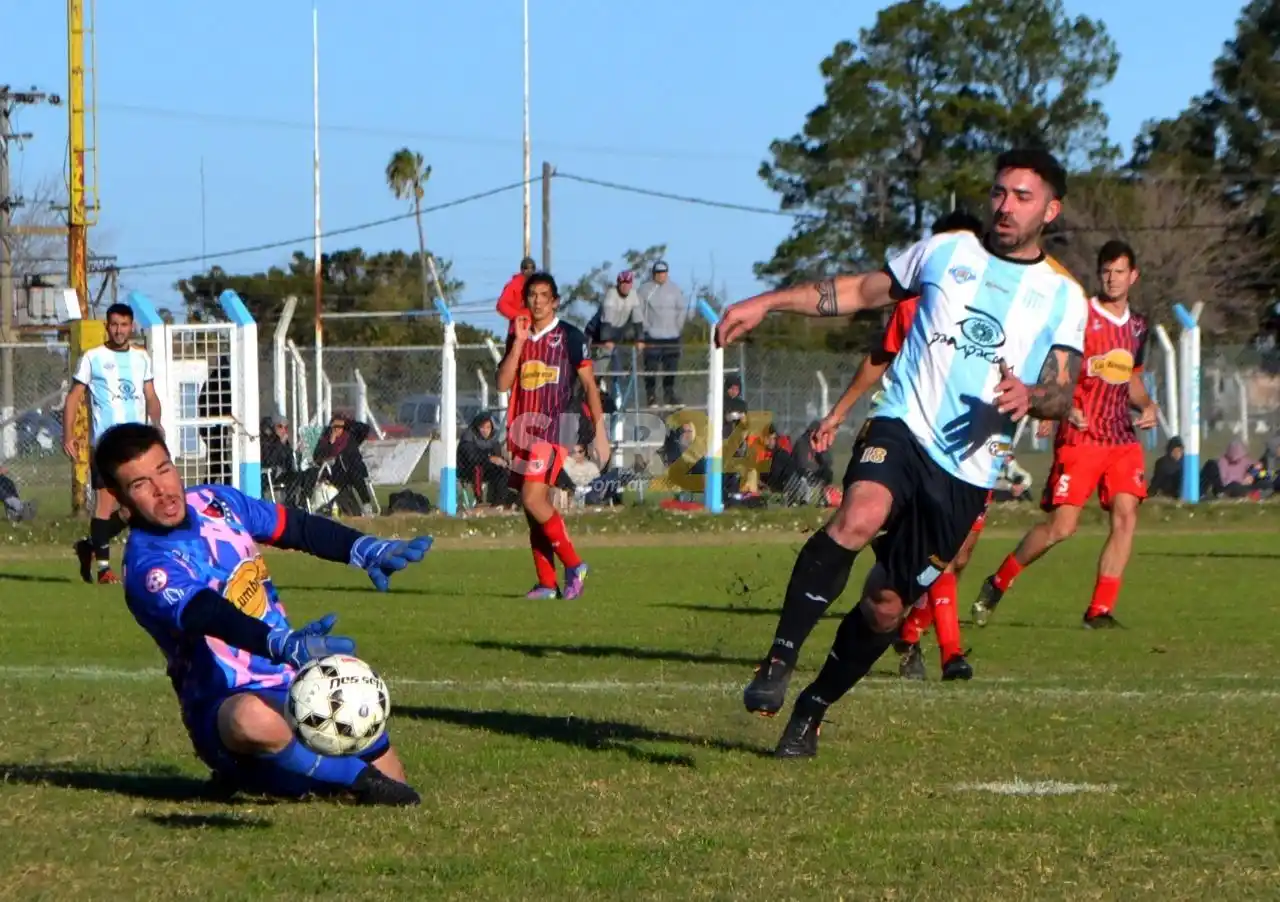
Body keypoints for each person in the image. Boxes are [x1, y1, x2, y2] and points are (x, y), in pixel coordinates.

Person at [715, 147, 1088, 758]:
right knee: (858, 515)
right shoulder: (946, 250)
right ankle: (779, 659)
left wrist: (1032, 395)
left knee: (886, 606)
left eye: (1023, 197)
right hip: (902, 425)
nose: (1005, 206)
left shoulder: (1063, 295)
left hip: (967, 470)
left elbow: (1063, 390)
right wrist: (766, 302)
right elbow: (861, 290)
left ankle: (813, 708)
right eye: (999, 192)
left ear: (1051, 210)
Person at [94, 422, 431, 805]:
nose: (162, 490)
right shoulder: (148, 565)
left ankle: (322, 776)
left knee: (399, 784)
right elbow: (207, 613)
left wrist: (363, 548)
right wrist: (277, 642)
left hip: (291, 681)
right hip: (223, 706)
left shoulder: (216, 502)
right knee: (252, 719)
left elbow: (295, 526)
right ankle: (353, 780)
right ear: (120, 499)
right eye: (140, 484)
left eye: (163, 470)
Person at [972, 240, 1158, 630]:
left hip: (1121, 439)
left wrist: (1147, 405)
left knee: (1126, 517)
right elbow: (1055, 370)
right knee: (1062, 528)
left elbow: (1130, 377)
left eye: (1119, 272)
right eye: (1106, 271)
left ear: (1133, 276)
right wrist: (1058, 407)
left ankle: (1099, 610)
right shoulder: (1080, 316)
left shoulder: (1139, 326)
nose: (1112, 278)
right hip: (1081, 436)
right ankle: (999, 580)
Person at [497, 272, 611, 600]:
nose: (537, 301)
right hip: (522, 430)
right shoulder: (517, 334)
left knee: (533, 499)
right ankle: (547, 584)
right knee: (532, 509)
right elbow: (502, 384)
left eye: (544, 295)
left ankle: (574, 564)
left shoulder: (570, 336)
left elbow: (589, 385)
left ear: (555, 301)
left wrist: (599, 433)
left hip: (555, 429)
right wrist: (518, 344)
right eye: (532, 295)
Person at [62, 302, 164, 585]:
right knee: (105, 505)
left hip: (135, 446)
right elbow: (73, 398)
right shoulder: (92, 357)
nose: (119, 330)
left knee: (134, 509)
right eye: (114, 325)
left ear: (132, 327)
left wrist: (156, 422)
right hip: (106, 444)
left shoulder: (141, 358)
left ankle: (89, 546)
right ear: (107, 326)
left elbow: (151, 395)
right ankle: (104, 569)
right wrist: (67, 435)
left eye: (124, 325)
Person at [497, 256, 537, 321]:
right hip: (519, 324)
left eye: (532, 268)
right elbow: (502, 305)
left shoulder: (538, 283)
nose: (529, 271)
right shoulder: (514, 285)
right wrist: (519, 316)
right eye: (526, 268)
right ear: (521, 269)